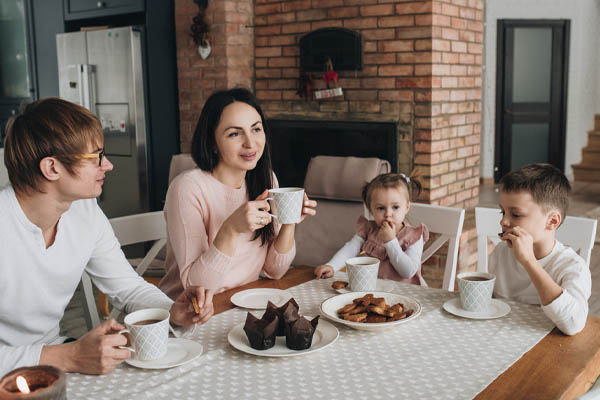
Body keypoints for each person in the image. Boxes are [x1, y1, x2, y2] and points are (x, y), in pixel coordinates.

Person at [0, 98, 214, 376]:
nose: (109, 165)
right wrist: (70, 355)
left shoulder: (84, 212)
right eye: (96, 157)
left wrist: (171, 310)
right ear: (52, 168)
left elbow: (128, 287)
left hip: (53, 360)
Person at [159, 88, 317, 298]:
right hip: (189, 314)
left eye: (256, 129)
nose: (250, 143)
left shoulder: (265, 179)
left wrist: (289, 220)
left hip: (243, 301)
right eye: (234, 133)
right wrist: (231, 229)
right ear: (212, 143)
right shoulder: (188, 188)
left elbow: (274, 271)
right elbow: (195, 288)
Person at [489, 163, 590, 335]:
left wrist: (529, 262)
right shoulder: (501, 252)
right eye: (502, 212)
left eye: (515, 214)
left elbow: (574, 324)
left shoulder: (572, 267)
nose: (503, 222)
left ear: (552, 222)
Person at [314, 172, 429, 284]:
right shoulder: (369, 229)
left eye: (395, 207)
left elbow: (408, 272)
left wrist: (390, 241)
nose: (388, 213)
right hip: (373, 290)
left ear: (407, 207)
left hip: (405, 295)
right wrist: (332, 266)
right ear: (371, 210)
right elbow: (350, 249)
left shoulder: (414, 236)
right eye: (380, 208)